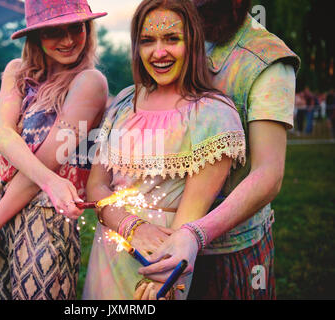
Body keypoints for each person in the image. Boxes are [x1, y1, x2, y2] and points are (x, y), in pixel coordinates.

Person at [137, 0, 300, 300]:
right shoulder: (184, 34)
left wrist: (194, 234)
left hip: (229, 252)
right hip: (160, 242)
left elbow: (269, 173)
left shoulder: (267, 60)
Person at [83, 0, 246, 300]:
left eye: (172, 39)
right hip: (108, 250)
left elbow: (190, 218)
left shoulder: (213, 115)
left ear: (193, 42)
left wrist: (166, 278)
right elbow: (95, 185)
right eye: (147, 41)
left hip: (161, 260)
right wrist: (130, 225)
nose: (159, 53)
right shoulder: (123, 102)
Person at [0, 0, 108, 300]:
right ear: (36, 36)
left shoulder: (90, 82)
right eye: (54, 30)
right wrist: (49, 179)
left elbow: (39, 171)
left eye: (76, 27)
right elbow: (2, 137)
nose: (68, 40)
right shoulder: (16, 72)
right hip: (3, 212)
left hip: (47, 221)